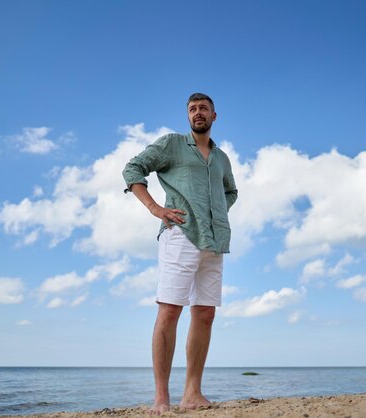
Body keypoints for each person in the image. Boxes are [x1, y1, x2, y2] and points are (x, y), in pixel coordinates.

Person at [122, 93, 238, 414]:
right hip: (180, 236)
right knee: (170, 310)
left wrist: (215, 213)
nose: (198, 113)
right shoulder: (172, 144)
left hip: (214, 241)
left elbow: (231, 190)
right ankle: (161, 398)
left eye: (203, 109)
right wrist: (155, 208)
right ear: (188, 116)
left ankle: (192, 394)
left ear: (215, 116)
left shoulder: (222, 158)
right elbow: (133, 169)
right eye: (192, 109)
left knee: (205, 313)